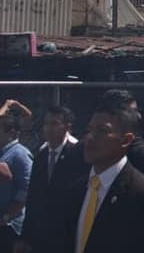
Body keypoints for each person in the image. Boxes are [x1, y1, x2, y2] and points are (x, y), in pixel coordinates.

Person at [64, 97, 144, 253]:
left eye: (102, 131)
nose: (90, 137)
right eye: (89, 130)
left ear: (126, 140)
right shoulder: (77, 189)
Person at [17, 105, 89, 253]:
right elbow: (32, 199)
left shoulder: (77, 155)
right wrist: (24, 236)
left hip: (67, 236)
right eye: (46, 124)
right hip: (41, 237)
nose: (49, 128)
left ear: (67, 127)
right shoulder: (40, 157)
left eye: (54, 124)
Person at [0, 114, 33, 252]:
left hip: (11, 228)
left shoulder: (20, 154)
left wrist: (6, 217)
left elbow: (26, 190)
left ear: (12, 133)